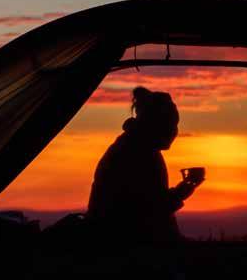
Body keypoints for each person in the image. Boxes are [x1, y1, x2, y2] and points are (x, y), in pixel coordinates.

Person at [86, 86, 204, 244]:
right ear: (155, 124)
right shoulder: (136, 153)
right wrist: (179, 194)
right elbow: (143, 214)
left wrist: (181, 191)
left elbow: (149, 206)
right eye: (170, 125)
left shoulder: (139, 146)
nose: (174, 131)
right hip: (119, 243)